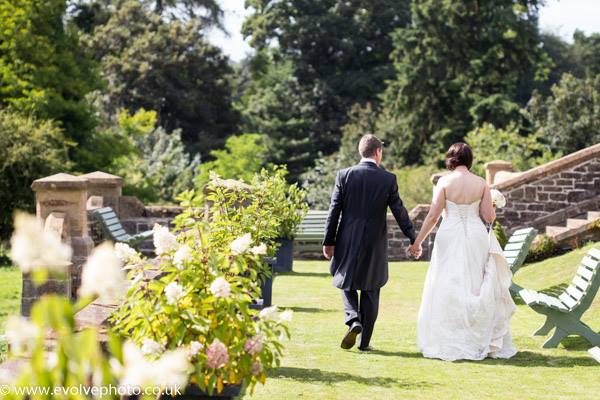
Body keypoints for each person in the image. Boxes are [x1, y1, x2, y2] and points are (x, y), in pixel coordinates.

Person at [408, 142, 517, 361]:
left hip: (449, 234)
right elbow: (488, 217)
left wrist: (417, 242)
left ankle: (450, 337)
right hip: (476, 235)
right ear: (469, 160)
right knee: (475, 284)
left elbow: (432, 216)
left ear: (451, 159)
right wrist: (493, 205)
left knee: (447, 282)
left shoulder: (444, 182)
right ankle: (476, 336)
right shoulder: (481, 183)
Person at [323, 134, 416, 351]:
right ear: (378, 152)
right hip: (375, 241)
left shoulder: (344, 175)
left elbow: (333, 210)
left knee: (342, 278)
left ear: (361, 152)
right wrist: (413, 237)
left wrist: (329, 241)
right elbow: (400, 212)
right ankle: (364, 343)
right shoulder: (388, 179)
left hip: (347, 238)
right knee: (371, 289)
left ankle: (353, 319)